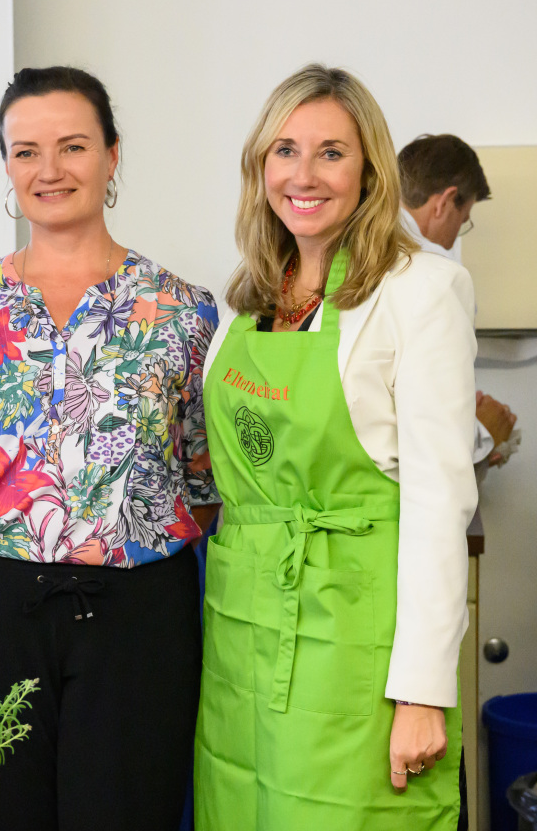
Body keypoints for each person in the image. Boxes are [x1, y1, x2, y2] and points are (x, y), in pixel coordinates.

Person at [0, 65, 220, 831]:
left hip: (138, 617)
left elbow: (201, 472)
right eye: (25, 152)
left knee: (124, 813)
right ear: (7, 167)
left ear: (113, 156)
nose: (48, 170)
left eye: (73, 146)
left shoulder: (183, 311)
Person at [194, 64, 475, 830]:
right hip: (242, 637)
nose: (303, 174)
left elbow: (438, 500)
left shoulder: (420, 291)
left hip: (354, 642)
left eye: (331, 152)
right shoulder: (252, 294)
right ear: (260, 168)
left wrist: (421, 691)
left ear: (371, 169)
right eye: (284, 150)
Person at [398, 134, 518, 471]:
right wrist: (484, 435)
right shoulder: (440, 279)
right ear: (444, 202)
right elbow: (432, 425)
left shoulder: (351, 250)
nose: (455, 237)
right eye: (462, 220)